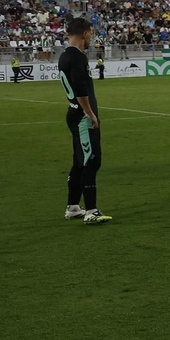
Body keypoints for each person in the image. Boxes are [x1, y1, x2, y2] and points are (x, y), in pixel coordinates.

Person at [58, 17, 110, 223]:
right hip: (82, 117)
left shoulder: (65, 56)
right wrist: (89, 113)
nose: (92, 37)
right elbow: (80, 89)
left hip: (74, 113)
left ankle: (72, 207)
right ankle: (91, 210)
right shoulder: (77, 57)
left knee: (80, 160)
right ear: (84, 33)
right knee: (91, 160)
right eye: (90, 33)